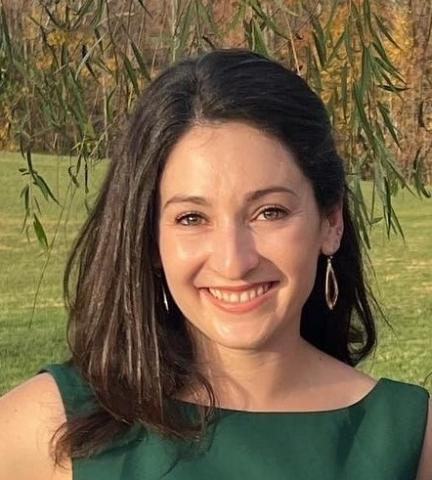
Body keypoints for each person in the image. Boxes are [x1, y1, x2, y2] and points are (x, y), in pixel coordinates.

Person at [0, 48, 431, 480]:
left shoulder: (409, 439)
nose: (234, 260)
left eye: (270, 212)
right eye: (192, 218)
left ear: (330, 221)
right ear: (151, 239)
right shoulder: (56, 425)